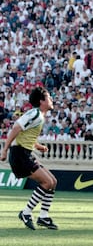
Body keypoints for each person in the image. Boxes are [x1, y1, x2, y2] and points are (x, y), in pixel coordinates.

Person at [0, 87, 58, 230]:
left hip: (25, 153)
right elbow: (15, 128)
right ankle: (26, 212)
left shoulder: (39, 116)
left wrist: (38, 146)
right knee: (47, 182)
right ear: (41, 101)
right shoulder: (35, 114)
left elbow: (25, 135)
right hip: (20, 154)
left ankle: (43, 216)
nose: (52, 100)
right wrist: (5, 150)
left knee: (53, 182)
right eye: (49, 97)